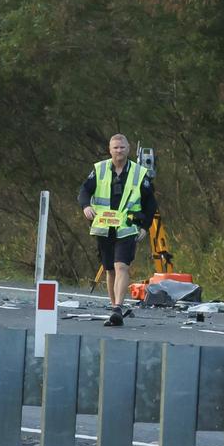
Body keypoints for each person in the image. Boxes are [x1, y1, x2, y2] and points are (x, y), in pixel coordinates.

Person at [78, 134, 157, 327]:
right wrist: (86, 206)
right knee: (110, 269)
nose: (119, 151)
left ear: (128, 149)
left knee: (122, 266)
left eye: (122, 147)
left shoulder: (139, 172)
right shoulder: (100, 169)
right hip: (104, 227)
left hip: (127, 228)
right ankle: (115, 310)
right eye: (115, 148)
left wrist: (145, 227)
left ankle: (118, 308)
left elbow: (151, 202)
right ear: (109, 149)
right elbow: (84, 190)